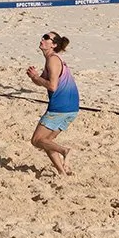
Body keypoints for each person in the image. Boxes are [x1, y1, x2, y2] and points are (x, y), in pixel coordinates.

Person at [26, 31, 79, 175]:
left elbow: (52, 86)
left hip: (60, 107)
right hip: (72, 107)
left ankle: (65, 151)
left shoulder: (53, 60)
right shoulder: (51, 59)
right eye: (43, 36)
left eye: (46, 38)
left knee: (36, 140)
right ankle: (62, 172)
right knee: (47, 141)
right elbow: (42, 82)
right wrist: (34, 77)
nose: (42, 39)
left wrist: (37, 77)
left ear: (54, 45)